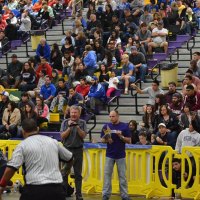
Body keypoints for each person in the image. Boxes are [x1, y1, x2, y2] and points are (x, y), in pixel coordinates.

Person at [0, 118, 73, 200]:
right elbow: (70, 158)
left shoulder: (22, 146)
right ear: (37, 129)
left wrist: (2, 186)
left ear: (23, 131)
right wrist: (65, 170)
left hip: (34, 190)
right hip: (56, 190)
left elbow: (11, 168)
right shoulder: (53, 142)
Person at [101, 110, 131, 200]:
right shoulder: (106, 126)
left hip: (120, 154)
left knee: (122, 177)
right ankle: (105, 195)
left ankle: (124, 195)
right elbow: (102, 140)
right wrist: (107, 139)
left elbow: (129, 140)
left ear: (117, 116)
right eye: (110, 116)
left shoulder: (124, 126)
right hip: (109, 154)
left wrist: (121, 136)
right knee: (107, 176)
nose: (111, 118)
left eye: (113, 116)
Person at [60, 105, 87, 200]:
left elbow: (83, 136)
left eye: (75, 112)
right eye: (72, 112)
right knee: (64, 173)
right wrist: (69, 127)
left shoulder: (83, 122)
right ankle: (64, 193)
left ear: (79, 114)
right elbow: (62, 136)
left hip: (78, 150)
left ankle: (78, 195)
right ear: (69, 113)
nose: (74, 114)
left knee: (78, 174)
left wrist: (78, 127)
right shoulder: (64, 122)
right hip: (66, 149)